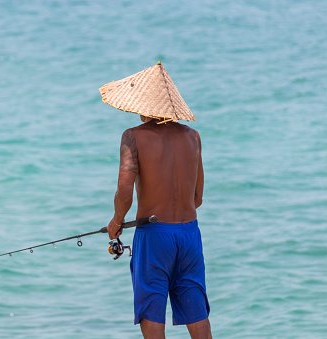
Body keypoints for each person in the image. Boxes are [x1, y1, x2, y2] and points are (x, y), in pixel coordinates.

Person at [100, 63, 212, 339]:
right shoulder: (193, 137)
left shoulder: (133, 137)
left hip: (154, 236)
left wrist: (116, 222)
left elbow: (124, 191)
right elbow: (197, 198)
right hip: (189, 235)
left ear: (144, 106)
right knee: (197, 314)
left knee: (152, 313)